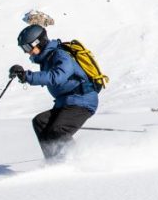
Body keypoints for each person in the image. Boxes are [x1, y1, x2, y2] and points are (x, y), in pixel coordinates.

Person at [9, 24, 98, 162]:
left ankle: (79, 162)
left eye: (27, 47)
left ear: (38, 42)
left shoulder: (60, 54)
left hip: (82, 100)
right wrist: (23, 75)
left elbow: (57, 76)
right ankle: (54, 163)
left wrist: (28, 76)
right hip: (67, 102)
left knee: (58, 129)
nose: (27, 52)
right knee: (40, 122)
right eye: (23, 49)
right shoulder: (48, 58)